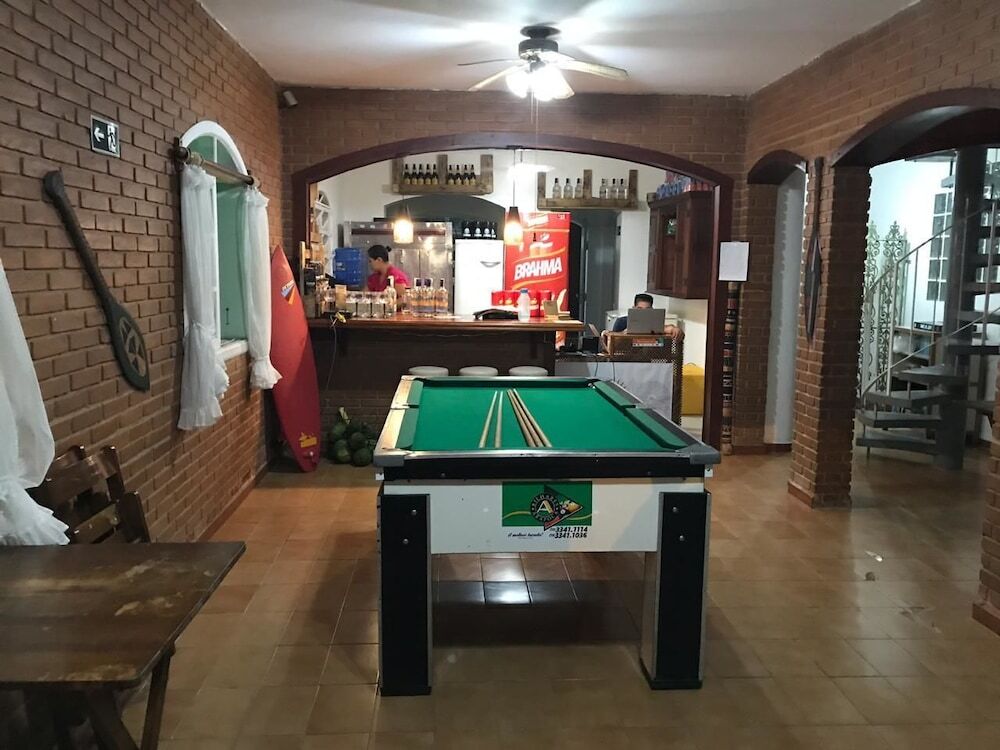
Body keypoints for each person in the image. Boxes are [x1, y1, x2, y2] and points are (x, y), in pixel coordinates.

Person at [608, 293, 684, 339]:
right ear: (633, 308)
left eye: (647, 309)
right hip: (625, 356)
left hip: (648, 357)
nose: (643, 313)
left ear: (651, 309)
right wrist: (623, 334)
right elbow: (611, 341)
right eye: (639, 309)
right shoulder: (621, 322)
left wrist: (675, 329)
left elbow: (667, 328)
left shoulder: (654, 323)